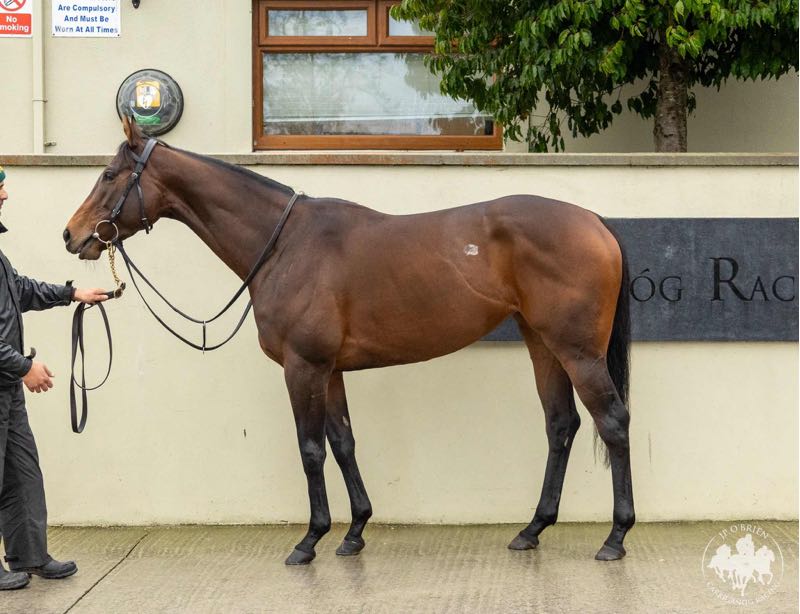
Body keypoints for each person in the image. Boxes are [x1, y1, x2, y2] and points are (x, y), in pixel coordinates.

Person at [0, 166, 110, 590]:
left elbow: (20, 291)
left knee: (22, 473)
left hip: (6, 388)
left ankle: (30, 555)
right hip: (7, 376)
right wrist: (23, 366)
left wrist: (71, 294)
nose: (5, 195)